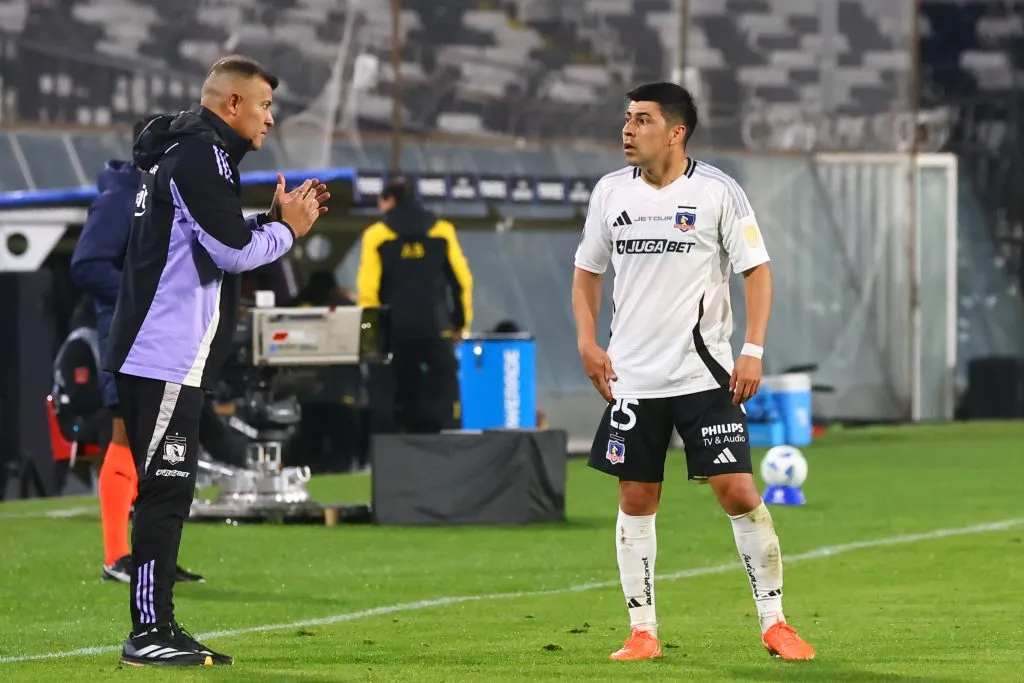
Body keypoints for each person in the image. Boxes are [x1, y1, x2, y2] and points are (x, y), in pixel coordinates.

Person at [571, 82, 815, 662]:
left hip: (705, 374)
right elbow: (586, 273)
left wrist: (752, 349)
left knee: (737, 490)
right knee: (636, 497)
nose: (628, 130)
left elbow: (757, 270)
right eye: (627, 119)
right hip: (631, 376)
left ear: (676, 131)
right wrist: (586, 341)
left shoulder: (717, 192)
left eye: (643, 120)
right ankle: (643, 632)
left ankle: (775, 622)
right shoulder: (609, 194)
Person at [105, 54, 329, 667]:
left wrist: (273, 222)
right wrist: (289, 232)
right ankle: (148, 632)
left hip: (164, 353)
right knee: (166, 493)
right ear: (232, 104)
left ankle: (158, 626)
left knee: (169, 492)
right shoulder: (203, 156)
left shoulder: (196, 155)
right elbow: (231, 252)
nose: (271, 118)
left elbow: (209, 239)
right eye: (263, 105)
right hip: (162, 353)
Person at [70, 115, 205, 585]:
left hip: (162, 337)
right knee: (126, 441)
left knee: (158, 451)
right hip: (128, 335)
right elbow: (86, 264)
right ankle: (116, 555)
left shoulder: (161, 194)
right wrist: (142, 295)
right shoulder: (122, 197)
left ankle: (151, 558)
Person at [356, 177, 473, 434]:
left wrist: (371, 337)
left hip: (393, 332)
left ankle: (389, 456)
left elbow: (368, 292)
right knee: (443, 393)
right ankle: (450, 452)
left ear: (388, 200)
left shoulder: (376, 235)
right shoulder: (442, 230)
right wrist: (459, 325)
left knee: (390, 396)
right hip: (436, 329)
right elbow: (461, 281)